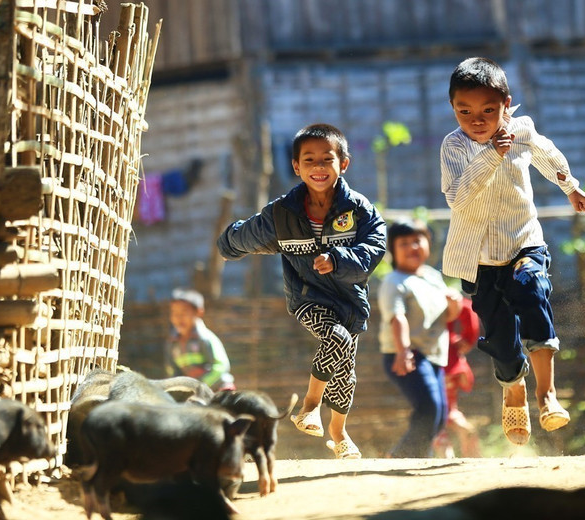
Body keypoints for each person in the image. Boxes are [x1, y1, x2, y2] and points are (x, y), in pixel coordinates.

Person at [439, 57, 585, 445]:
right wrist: (491, 155)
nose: (477, 120)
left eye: (488, 111)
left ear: (506, 104)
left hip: (524, 241)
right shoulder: (454, 146)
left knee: (531, 290)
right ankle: (514, 389)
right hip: (480, 258)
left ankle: (547, 394)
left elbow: (547, 154)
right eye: (465, 111)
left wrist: (570, 186)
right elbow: (457, 198)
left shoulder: (521, 130)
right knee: (502, 340)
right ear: (453, 107)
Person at [217, 123, 386, 459]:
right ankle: (309, 407)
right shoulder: (282, 213)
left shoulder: (359, 209)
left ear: (343, 163)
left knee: (345, 373)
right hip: (308, 298)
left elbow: (375, 246)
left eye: (327, 159)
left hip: (350, 301)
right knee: (336, 338)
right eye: (309, 160)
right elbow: (247, 234)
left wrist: (338, 259)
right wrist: (228, 245)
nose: (318, 167)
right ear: (296, 166)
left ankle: (338, 433)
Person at [378, 219, 463, 458]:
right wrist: (403, 351)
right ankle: (400, 458)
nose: (412, 247)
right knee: (428, 408)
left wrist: (454, 305)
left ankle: (417, 460)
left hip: (432, 356)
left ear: (428, 243)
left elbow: (446, 316)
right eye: (404, 243)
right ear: (393, 249)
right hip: (407, 354)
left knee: (439, 415)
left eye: (417, 240)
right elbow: (397, 318)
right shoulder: (394, 282)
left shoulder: (432, 277)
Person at [434, 297, 482, 458]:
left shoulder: (439, 298)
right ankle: (468, 452)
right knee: (446, 410)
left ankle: (450, 455)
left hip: (441, 365)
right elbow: (467, 311)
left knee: (439, 412)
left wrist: (462, 341)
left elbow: (465, 308)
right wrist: (465, 340)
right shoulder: (449, 300)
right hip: (453, 364)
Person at [166, 287, 236, 391]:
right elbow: (173, 370)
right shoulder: (173, 344)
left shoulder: (205, 338)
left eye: (184, 312)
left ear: (198, 312)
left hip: (215, 387)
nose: (178, 317)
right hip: (192, 391)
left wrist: (201, 385)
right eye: (174, 312)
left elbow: (220, 366)